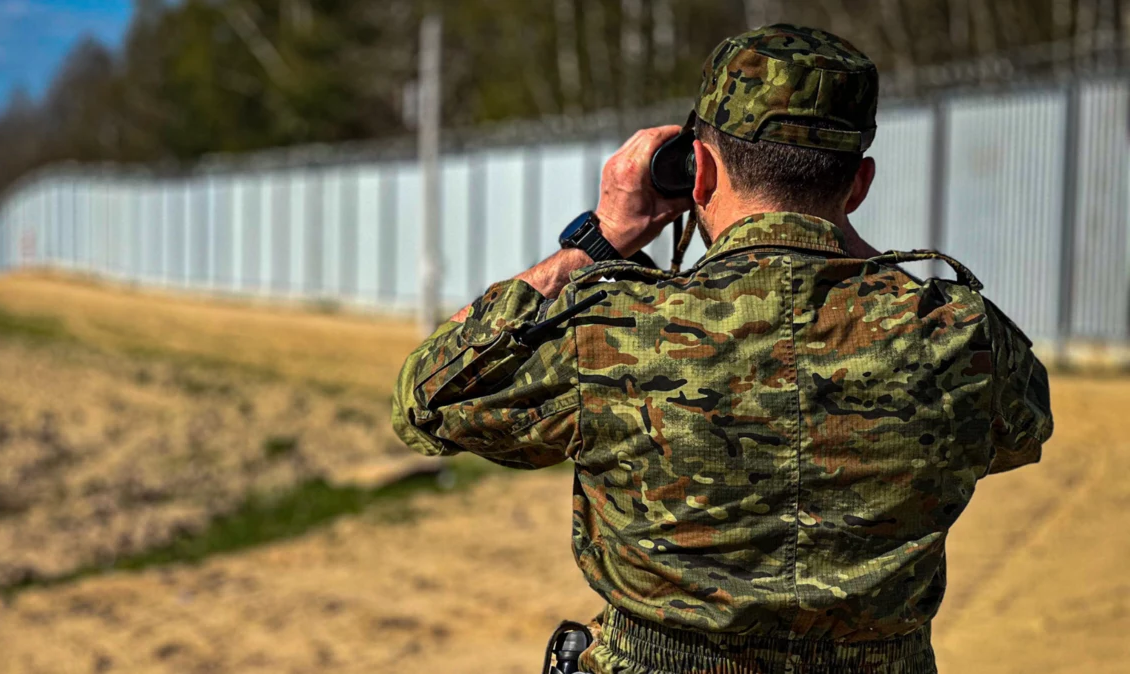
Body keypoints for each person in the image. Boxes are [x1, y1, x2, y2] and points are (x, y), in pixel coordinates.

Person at [391, 24, 1053, 674]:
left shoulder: (615, 329)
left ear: (698, 169)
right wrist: (840, 240)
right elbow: (1025, 422)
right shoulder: (954, 337)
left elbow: (429, 397)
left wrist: (599, 240)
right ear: (860, 184)